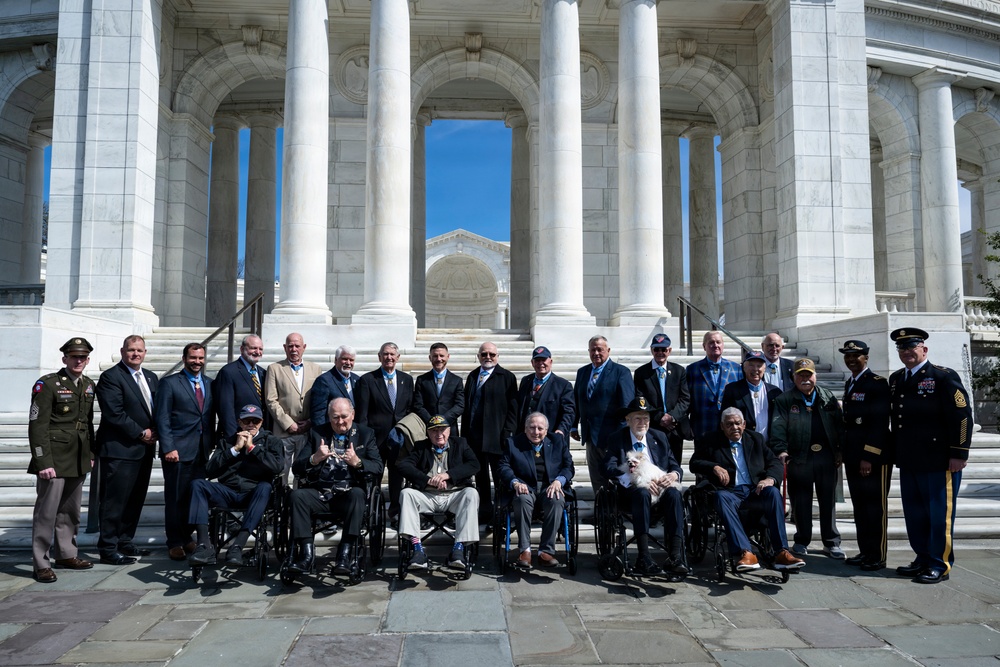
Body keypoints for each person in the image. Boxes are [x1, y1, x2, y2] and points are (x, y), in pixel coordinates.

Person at [889, 328, 972, 584]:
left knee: (939, 514)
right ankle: (922, 557)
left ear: (924, 349)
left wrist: (959, 453)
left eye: (912, 346)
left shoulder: (942, 377)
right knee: (915, 514)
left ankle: (940, 563)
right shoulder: (896, 379)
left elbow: (962, 416)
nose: (906, 352)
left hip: (939, 460)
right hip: (910, 459)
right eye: (902, 348)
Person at [689, 407, 805, 571]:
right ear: (722, 426)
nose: (734, 427)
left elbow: (774, 463)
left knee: (772, 493)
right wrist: (714, 467)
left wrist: (769, 479)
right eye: (729, 424)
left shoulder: (755, 439)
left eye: (737, 423)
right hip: (730, 492)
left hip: (754, 491)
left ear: (744, 424)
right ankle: (746, 552)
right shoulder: (710, 440)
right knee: (720, 497)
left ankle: (782, 552)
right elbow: (694, 463)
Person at [287, 398, 383, 575]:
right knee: (297, 496)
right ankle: (306, 555)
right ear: (329, 417)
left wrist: (358, 463)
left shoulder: (365, 433)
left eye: (344, 416)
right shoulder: (317, 433)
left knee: (357, 494)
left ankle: (344, 554)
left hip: (348, 494)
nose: (340, 422)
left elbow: (378, 467)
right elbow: (297, 466)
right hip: (321, 492)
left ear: (352, 415)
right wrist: (314, 459)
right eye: (335, 417)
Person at [27, 338, 97, 583]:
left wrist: (90, 454)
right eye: (74, 356)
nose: (79, 361)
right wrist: (41, 461)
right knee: (46, 514)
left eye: (83, 357)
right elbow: (37, 425)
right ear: (64, 358)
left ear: (88, 360)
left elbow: (87, 424)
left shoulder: (88, 385)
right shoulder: (47, 384)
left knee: (70, 512)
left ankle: (67, 554)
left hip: (77, 458)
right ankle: (41, 563)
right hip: (54, 459)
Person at [188, 404, 283, 566]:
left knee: (265, 486)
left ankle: (238, 546)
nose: (251, 425)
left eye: (255, 421)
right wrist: (235, 449)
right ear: (240, 422)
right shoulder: (227, 441)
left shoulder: (272, 441)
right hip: (228, 492)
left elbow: (277, 467)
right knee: (198, 484)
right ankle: (204, 544)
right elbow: (210, 470)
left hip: (254, 494)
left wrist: (253, 448)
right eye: (247, 421)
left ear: (261, 423)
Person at [770, 358, 845, 559]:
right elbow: (777, 428)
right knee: (801, 502)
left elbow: (839, 426)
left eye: (808, 374)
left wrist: (839, 451)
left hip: (826, 458)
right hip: (799, 458)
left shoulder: (827, 396)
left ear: (815, 376)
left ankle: (831, 542)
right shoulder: (785, 400)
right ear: (793, 377)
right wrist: (781, 450)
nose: (805, 379)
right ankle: (802, 540)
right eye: (800, 375)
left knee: (827, 500)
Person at [603, 396, 687, 576]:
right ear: (628, 420)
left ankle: (675, 556)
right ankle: (644, 556)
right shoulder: (617, 438)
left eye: (646, 418)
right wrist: (636, 481)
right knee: (642, 493)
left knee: (675, 495)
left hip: (661, 491)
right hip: (631, 494)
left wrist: (673, 475)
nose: (643, 422)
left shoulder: (660, 437)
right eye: (638, 418)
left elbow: (674, 464)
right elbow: (608, 467)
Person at [94, 335, 157, 566]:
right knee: (114, 501)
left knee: (135, 499)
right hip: (120, 450)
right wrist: (142, 433)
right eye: (131, 350)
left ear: (145, 352)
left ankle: (125, 541)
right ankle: (108, 548)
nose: (135, 354)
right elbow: (114, 413)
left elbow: (154, 410)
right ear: (122, 351)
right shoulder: (111, 377)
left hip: (144, 451)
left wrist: (156, 431)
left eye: (139, 350)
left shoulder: (150, 377)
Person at [155, 343, 215, 561]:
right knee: (176, 497)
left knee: (195, 497)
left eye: (200, 358)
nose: (197, 362)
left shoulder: (209, 383)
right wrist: (168, 447)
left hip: (201, 451)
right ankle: (174, 542)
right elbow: (162, 417)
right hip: (177, 451)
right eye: (192, 358)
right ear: (184, 358)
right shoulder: (170, 383)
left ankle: (188, 537)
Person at [397, 415, 481, 571]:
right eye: (434, 431)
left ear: (449, 430)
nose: (439, 434)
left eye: (442, 430)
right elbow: (403, 466)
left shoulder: (460, 444)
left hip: (454, 495)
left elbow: (474, 465)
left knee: (471, 493)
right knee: (406, 494)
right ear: (428, 433)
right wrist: (428, 480)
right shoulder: (420, 446)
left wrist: (448, 475)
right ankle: (417, 550)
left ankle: (459, 548)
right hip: (427, 496)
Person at [839, 339, 892, 571]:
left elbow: (879, 423)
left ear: (866, 357)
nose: (851, 360)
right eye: (848, 356)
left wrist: (868, 456)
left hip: (873, 459)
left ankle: (878, 555)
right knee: (860, 507)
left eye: (856, 356)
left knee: (875, 508)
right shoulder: (851, 382)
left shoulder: (877, 383)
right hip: (853, 456)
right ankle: (865, 551)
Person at [499, 412, 573, 569]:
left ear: (546, 430)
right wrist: (515, 482)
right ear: (525, 429)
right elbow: (503, 466)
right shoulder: (513, 443)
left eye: (540, 428)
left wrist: (559, 481)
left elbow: (568, 467)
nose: (536, 432)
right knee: (521, 499)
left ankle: (545, 552)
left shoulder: (558, 441)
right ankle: (525, 550)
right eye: (532, 427)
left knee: (557, 499)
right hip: (526, 487)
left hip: (550, 486)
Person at [354, 342, 415, 521]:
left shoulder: (407, 379)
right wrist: (364, 441)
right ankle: (371, 513)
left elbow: (410, 410)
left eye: (392, 354)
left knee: (397, 477)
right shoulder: (367, 380)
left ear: (398, 358)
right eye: (385, 354)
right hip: (376, 439)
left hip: (399, 440)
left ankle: (395, 513)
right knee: (374, 477)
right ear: (379, 357)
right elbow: (362, 414)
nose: (389, 357)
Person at [461, 341, 519, 525]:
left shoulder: (507, 377)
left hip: (497, 437)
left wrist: (508, 433)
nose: (488, 357)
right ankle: (485, 510)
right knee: (480, 477)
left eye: (492, 354)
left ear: (497, 356)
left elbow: (513, 409)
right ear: (478, 356)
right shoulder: (472, 376)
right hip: (475, 437)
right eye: (484, 354)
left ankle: (501, 514)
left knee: (500, 476)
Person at [573, 335, 634, 488]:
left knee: (615, 477)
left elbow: (626, 405)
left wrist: (622, 433)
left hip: (612, 436)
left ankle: (617, 511)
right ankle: (601, 510)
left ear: (608, 350)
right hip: (590, 437)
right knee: (597, 478)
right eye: (593, 350)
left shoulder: (621, 372)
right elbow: (577, 401)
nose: (596, 353)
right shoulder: (583, 372)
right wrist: (574, 425)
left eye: (600, 349)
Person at [264, 332, 323, 484]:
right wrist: (288, 423)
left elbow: (319, 399)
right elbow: (271, 399)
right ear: (285, 348)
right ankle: (280, 502)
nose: (294, 349)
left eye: (297, 346)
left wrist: (310, 421)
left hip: (306, 432)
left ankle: (297, 501)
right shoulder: (275, 368)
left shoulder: (315, 369)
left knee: (303, 470)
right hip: (284, 431)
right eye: (290, 346)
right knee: (281, 471)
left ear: (304, 347)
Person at [633, 333, 690, 464]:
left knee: (675, 466)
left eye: (664, 349)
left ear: (669, 351)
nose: (660, 353)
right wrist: (660, 417)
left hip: (674, 428)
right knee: (655, 465)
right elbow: (641, 399)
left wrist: (671, 417)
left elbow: (685, 399)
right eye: (657, 349)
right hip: (653, 427)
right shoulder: (642, 373)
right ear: (651, 350)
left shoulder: (679, 371)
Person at [686, 331, 741, 440]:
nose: (715, 345)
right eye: (711, 342)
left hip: (729, 428)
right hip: (702, 426)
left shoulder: (736, 368)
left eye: (718, 342)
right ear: (704, 346)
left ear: (723, 345)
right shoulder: (693, 369)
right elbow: (687, 399)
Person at [214, 335, 267, 443]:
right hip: (238, 435)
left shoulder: (263, 373)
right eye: (253, 348)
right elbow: (225, 409)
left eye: (260, 349)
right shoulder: (228, 372)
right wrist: (234, 437)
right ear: (242, 349)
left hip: (257, 435)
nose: (257, 352)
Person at [721, 350, 782, 445]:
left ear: (765, 368)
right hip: (744, 444)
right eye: (751, 365)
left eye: (759, 366)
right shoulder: (733, 390)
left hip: (770, 446)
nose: (755, 369)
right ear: (744, 368)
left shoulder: (774, 392)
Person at [516, 346, 575, 438]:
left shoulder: (563, 385)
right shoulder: (525, 381)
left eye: (543, 360)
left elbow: (569, 412)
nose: (540, 363)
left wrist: (561, 430)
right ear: (532, 363)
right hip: (526, 437)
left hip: (550, 438)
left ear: (550, 362)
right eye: (537, 360)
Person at [413, 342, 465, 432]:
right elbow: (418, 405)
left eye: (442, 356)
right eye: (435, 356)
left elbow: (460, 405)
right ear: (430, 358)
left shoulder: (457, 381)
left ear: (448, 357)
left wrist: (443, 421)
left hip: (450, 428)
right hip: (427, 429)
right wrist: (432, 421)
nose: (439, 359)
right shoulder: (422, 380)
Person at [310, 345, 359, 425]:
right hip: (332, 431)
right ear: (336, 360)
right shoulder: (324, 381)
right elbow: (318, 413)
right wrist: (322, 435)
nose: (348, 363)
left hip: (352, 431)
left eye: (351, 360)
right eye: (344, 359)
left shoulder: (357, 379)